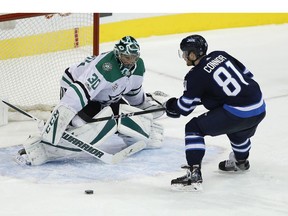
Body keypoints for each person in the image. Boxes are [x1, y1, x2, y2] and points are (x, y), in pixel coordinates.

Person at [16, 36, 167, 166]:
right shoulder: (104, 67)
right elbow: (79, 93)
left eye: (134, 57)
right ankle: (42, 150)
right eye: (126, 57)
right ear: (118, 54)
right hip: (76, 88)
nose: (130, 61)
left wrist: (143, 109)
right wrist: (63, 116)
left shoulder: (138, 66)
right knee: (87, 128)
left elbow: (133, 93)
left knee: (125, 115)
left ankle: (138, 137)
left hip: (105, 96)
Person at [164, 34, 266, 191]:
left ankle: (194, 174)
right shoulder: (221, 55)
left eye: (185, 53)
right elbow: (247, 76)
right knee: (238, 132)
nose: (184, 56)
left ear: (193, 54)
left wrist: (172, 105)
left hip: (237, 113)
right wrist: (216, 97)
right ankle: (240, 162)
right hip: (258, 106)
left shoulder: (195, 75)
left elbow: (185, 108)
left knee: (194, 128)